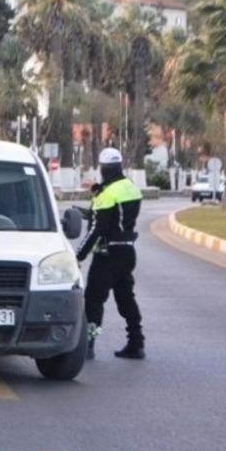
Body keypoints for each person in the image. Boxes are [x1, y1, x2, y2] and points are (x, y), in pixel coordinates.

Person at [76, 147, 144, 360]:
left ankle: (88, 343)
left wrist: (78, 255)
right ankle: (136, 342)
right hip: (127, 252)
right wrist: (94, 203)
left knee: (94, 300)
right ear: (120, 166)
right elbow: (115, 215)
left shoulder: (106, 195)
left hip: (107, 254)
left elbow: (98, 229)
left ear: (103, 168)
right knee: (126, 298)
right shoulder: (131, 187)